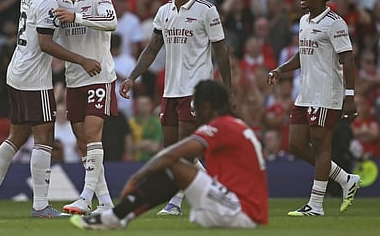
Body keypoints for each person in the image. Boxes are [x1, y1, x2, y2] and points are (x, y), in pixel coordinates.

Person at [0, 0, 100, 218]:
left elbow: (61, 7)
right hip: (34, 77)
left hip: (16, 72)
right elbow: (45, 43)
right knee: (44, 139)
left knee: (16, 136)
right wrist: (82, 59)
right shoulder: (45, 2)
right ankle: (41, 206)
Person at [70, 80, 268, 230]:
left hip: (240, 210)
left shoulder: (219, 126)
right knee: (179, 167)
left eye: (196, 106)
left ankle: (115, 217)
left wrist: (136, 178)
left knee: (175, 165)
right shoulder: (236, 125)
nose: (195, 112)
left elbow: (174, 153)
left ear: (207, 106)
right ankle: (120, 216)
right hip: (246, 206)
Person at [119, 0, 232, 216]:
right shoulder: (164, 12)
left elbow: (221, 52)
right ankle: (219, 194)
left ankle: (175, 202)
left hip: (196, 91)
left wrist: (228, 91)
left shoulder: (207, 11)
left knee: (183, 149)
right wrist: (132, 77)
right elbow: (152, 48)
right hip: (170, 90)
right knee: (171, 151)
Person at [267, 0, 361, 217]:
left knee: (321, 145)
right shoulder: (303, 21)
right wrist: (281, 69)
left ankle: (316, 205)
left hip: (326, 92)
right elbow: (303, 53)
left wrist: (349, 96)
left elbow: (347, 59)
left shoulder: (335, 23)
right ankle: (345, 178)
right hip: (305, 93)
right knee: (296, 144)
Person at [53, 0, 118, 215]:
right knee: (82, 142)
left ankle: (85, 197)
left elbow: (112, 22)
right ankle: (105, 202)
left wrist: (77, 17)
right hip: (74, 78)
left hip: (99, 75)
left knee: (92, 136)